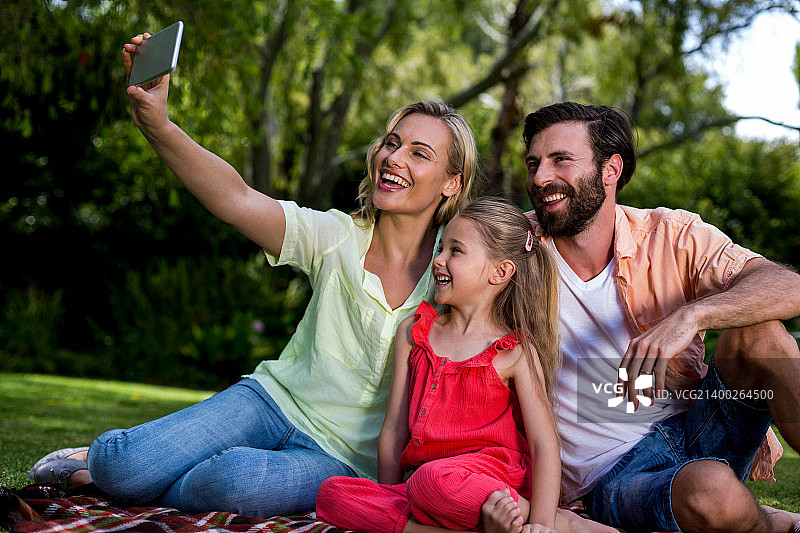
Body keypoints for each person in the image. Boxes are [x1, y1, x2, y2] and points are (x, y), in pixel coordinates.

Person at [26, 33, 479, 518]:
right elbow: (238, 200)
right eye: (392, 143)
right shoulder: (336, 236)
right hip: (269, 401)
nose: (394, 158)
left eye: (419, 152)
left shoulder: (455, 273)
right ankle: (100, 471)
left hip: (341, 459)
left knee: (238, 483)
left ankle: (111, 484)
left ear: (451, 184)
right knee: (127, 466)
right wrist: (157, 123)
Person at [495, 101, 800, 533]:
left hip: (697, 424)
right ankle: (773, 524)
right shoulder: (513, 251)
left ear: (610, 169)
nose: (540, 177)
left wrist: (692, 316)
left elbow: (789, 286)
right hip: (614, 476)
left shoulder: (669, 235)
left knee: (761, 333)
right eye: (534, 163)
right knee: (713, 493)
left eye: (560, 160)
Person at [316, 198, 615, 533]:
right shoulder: (414, 333)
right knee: (332, 494)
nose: (438, 260)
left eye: (455, 251)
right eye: (440, 248)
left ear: (500, 272)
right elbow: (394, 429)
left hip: (492, 487)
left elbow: (544, 445)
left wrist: (542, 524)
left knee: (431, 480)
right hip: (426, 492)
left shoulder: (513, 351)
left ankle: (551, 522)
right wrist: (389, 498)